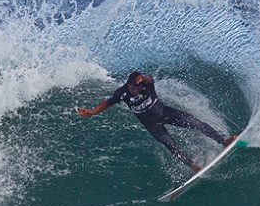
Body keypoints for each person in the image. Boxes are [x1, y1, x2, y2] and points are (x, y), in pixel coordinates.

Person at [77, 72, 236, 173]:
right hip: (153, 126)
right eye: (134, 88)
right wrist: (93, 111)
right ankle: (192, 166)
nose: (137, 91)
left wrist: (143, 78)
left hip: (166, 113)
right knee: (172, 146)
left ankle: (223, 141)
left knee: (196, 123)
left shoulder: (146, 84)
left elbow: (150, 78)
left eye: (138, 88)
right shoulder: (122, 93)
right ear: (128, 85)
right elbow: (108, 102)